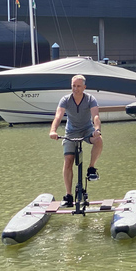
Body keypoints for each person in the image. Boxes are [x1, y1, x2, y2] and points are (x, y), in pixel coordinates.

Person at [49, 74, 103, 207]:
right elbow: (58, 116)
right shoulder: (65, 100)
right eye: (73, 86)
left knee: (99, 140)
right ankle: (68, 196)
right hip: (71, 132)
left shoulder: (90, 99)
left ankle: (91, 168)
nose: (76, 88)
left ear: (84, 87)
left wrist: (97, 129)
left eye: (79, 86)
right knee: (68, 161)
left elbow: (95, 115)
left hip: (87, 129)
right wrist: (53, 131)